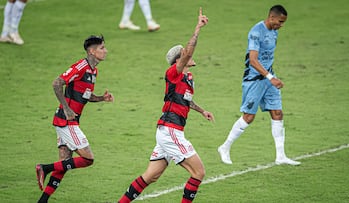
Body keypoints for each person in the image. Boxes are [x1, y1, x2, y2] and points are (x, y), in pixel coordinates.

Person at [117, 8, 212, 203]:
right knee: (199, 172)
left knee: (151, 176)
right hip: (170, 131)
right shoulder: (173, 74)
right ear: (179, 59)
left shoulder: (188, 78)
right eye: (184, 54)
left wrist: (202, 111)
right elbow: (189, 50)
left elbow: (185, 100)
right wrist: (197, 28)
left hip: (168, 132)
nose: (189, 55)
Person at [218, 5, 301, 166]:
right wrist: (270, 77)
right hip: (254, 79)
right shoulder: (256, 32)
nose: (281, 25)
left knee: (277, 113)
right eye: (280, 21)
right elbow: (254, 61)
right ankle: (225, 147)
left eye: (283, 22)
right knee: (249, 117)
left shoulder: (274, 31)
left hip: (269, 78)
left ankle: (280, 156)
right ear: (271, 17)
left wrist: (271, 76)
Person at [35, 35, 114, 203]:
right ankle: (45, 167)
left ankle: (42, 201)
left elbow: (84, 95)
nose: (105, 51)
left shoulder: (93, 71)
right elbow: (57, 83)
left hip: (68, 121)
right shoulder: (80, 67)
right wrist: (66, 107)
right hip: (66, 121)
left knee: (64, 163)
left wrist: (101, 98)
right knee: (88, 159)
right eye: (102, 48)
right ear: (92, 51)